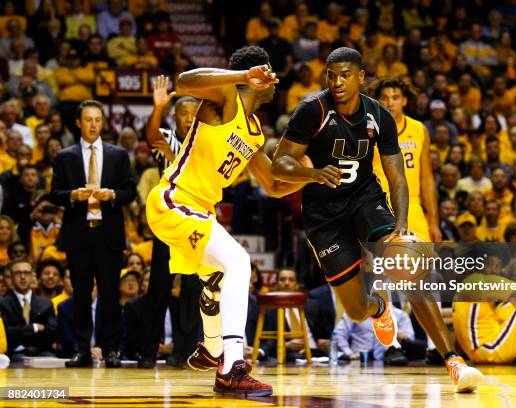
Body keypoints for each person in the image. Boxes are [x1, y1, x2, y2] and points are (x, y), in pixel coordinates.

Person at [271, 47, 483, 392]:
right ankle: (378, 306)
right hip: (324, 217)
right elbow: (280, 163)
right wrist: (313, 175)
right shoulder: (313, 110)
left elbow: (397, 177)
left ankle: (454, 362)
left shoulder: (378, 116)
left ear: (360, 77)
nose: (337, 82)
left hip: (364, 200)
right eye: (331, 75)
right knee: (355, 310)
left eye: (344, 75)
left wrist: (400, 225)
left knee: (409, 264)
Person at [146, 46, 309, 396]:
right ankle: (232, 366)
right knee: (238, 260)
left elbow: (274, 185)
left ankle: (213, 347)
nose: (276, 80)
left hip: (198, 211)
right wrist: (240, 77)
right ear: (256, 74)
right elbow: (184, 80)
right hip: (174, 200)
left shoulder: (253, 131)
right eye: (270, 71)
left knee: (219, 276)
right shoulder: (224, 99)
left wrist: (317, 175)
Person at [50, 99, 137, 368]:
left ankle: (111, 349)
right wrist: (72, 195)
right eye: (88, 120)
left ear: (103, 122)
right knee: (81, 293)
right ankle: (82, 350)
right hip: (79, 233)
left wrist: (112, 194)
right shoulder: (65, 156)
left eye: (98, 119)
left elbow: (130, 191)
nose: (93, 124)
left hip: (107, 232)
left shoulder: (118, 155)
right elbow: (54, 193)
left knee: (110, 294)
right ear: (78, 123)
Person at [139, 75, 202, 369]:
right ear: (175, 118)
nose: (189, 119)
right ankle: (148, 352)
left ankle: (186, 352)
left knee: (192, 289)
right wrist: (158, 108)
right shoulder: (167, 137)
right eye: (183, 114)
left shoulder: (205, 142)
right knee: (159, 288)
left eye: (193, 114)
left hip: (195, 224)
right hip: (167, 221)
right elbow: (152, 136)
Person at [369, 77, 442, 242]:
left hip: (412, 205)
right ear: (377, 101)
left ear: (404, 100)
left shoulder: (419, 129)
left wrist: (434, 221)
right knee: (384, 263)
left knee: (422, 262)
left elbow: (427, 179)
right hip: (379, 205)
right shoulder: (368, 131)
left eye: (395, 97)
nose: (390, 103)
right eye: (384, 98)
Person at [0, 259, 57, 361]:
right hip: (14, 354)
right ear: (11, 277)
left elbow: (53, 333)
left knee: (51, 360)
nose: (22, 277)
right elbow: (6, 334)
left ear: (32, 276)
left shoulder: (46, 303)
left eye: (26, 273)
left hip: (42, 351)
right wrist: (33, 327)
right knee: (18, 362)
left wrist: (21, 333)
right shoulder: (3, 304)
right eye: (18, 273)